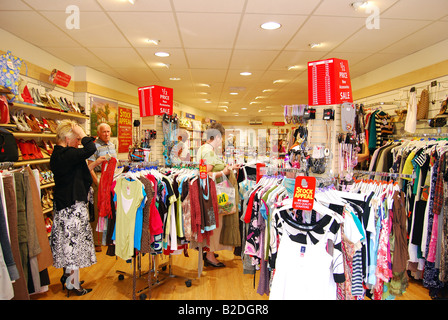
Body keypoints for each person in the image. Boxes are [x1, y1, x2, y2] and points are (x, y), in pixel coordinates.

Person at [49, 120, 106, 296]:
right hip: (71, 208)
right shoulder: (65, 154)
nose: (78, 143)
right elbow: (91, 149)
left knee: (69, 245)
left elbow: (76, 174)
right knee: (73, 247)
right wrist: (82, 132)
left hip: (67, 206)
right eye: (76, 140)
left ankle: (69, 278)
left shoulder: (62, 155)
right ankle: (73, 285)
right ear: (67, 139)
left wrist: (94, 165)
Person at [196, 122, 239, 267]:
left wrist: (229, 168)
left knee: (213, 222)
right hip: (214, 193)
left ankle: (209, 252)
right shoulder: (209, 152)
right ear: (217, 137)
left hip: (211, 192)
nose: (221, 141)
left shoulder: (204, 148)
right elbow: (205, 174)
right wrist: (224, 172)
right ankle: (209, 255)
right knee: (215, 224)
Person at [87, 123, 118, 252]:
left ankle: (108, 238)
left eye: (108, 131)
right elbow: (90, 166)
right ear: (98, 133)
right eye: (104, 132)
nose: (106, 134)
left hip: (111, 179)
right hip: (100, 178)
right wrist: (97, 183)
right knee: (98, 209)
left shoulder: (112, 145)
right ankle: (97, 240)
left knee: (110, 208)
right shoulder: (94, 146)